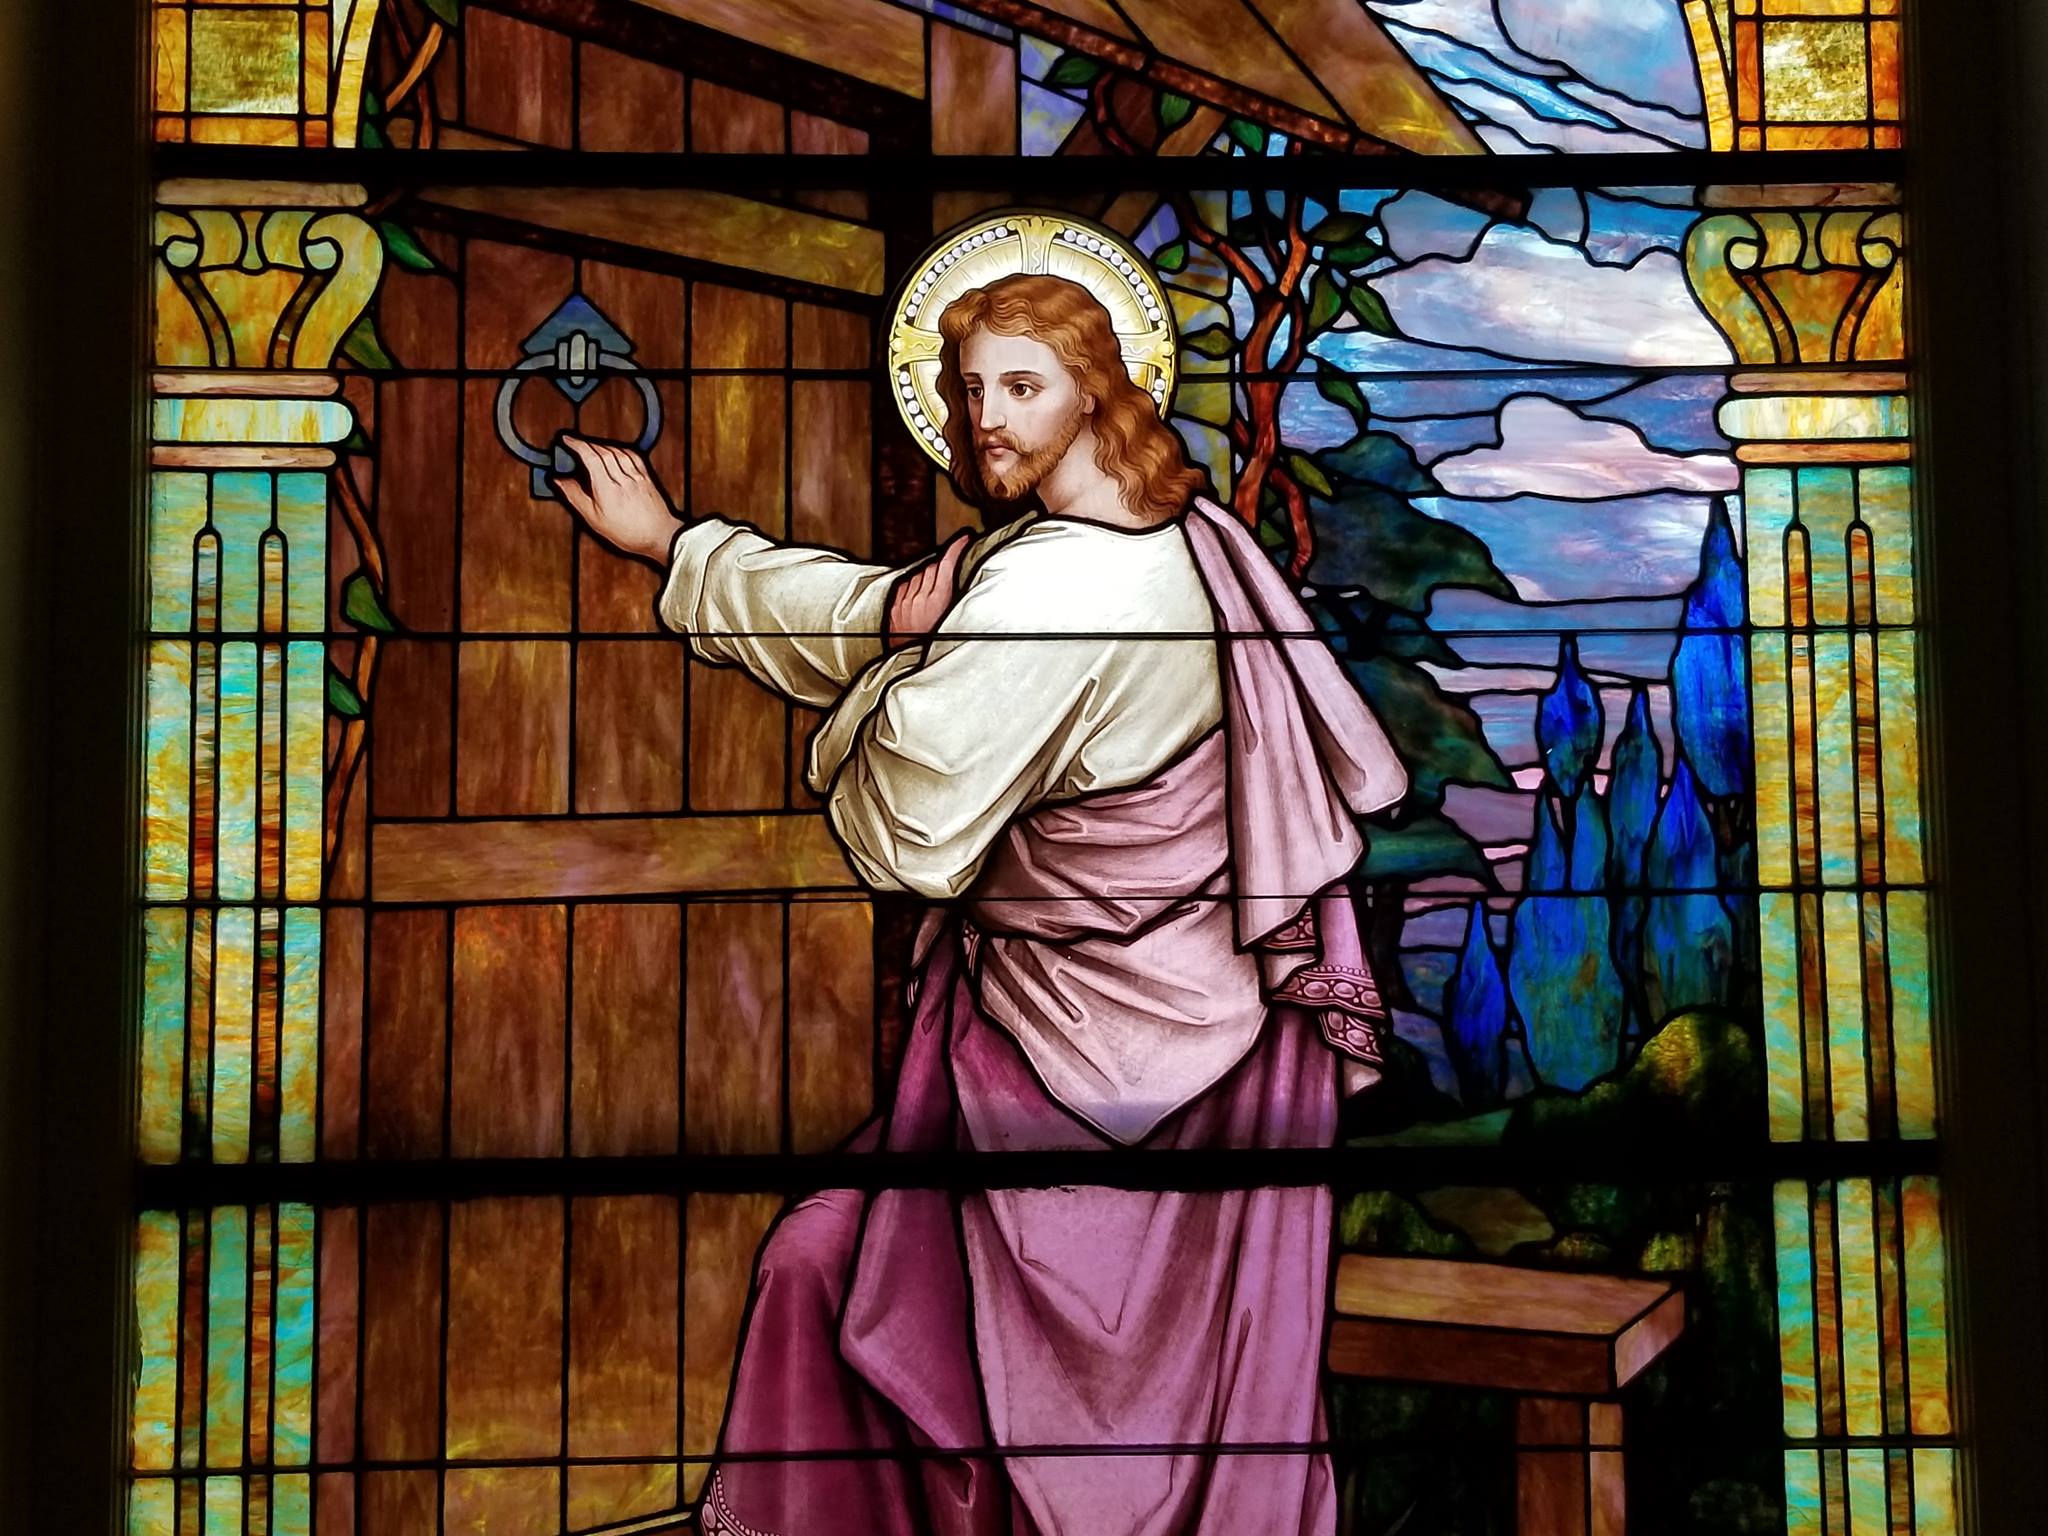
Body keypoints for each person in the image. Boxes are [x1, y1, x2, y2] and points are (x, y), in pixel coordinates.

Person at [552, 272, 1408, 1536]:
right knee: (840, 1280)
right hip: (1193, 1049)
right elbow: (880, 614)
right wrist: (681, 551)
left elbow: (904, 827)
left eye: (1021, 386)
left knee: (845, 1289)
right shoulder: (1163, 534)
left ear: (1097, 389)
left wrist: (878, 685)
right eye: (968, 387)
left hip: (1084, 1090)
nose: (984, 416)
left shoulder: (1059, 593)